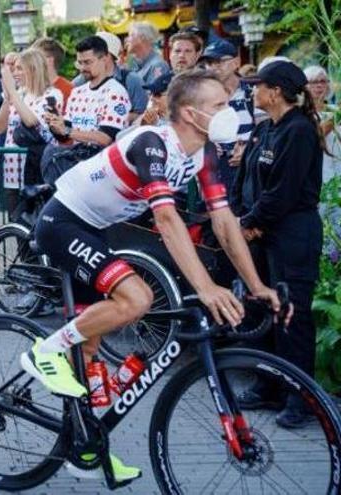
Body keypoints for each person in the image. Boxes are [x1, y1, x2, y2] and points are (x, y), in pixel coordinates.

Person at [21, 69, 284, 481]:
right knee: (138, 299)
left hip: (96, 228)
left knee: (88, 356)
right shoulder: (152, 144)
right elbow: (165, 216)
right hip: (62, 221)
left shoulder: (204, 153)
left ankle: (83, 449)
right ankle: (45, 350)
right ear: (192, 114)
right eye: (220, 105)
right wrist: (206, 288)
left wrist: (256, 286)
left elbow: (225, 223)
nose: (230, 111)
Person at [235, 61, 323, 428]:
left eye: (259, 86)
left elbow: (284, 192)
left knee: (292, 317)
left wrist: (250, 224)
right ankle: (269, 384)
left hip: (292, 236)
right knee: (265, 313)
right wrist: (241, 220)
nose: (253, 91)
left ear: (276, 92)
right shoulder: (264, 129)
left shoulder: (299, 131)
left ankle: (300, 399)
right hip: (264, 234)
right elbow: (246, 178)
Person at [0, 49, 63, 206]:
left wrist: (13, 93)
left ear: (33, 69)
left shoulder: (52, 94)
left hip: (36, 171)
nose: (15, 73)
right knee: (16, 225)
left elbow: (32, 121)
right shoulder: (18, 93)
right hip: (11, 172)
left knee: (35, 225)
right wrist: (7, 98)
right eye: (14, 68)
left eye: (20, 68)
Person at [47, 36, 130, 148]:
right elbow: (64, 136)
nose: (82, 68)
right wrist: (54, 125)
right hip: (78, 159)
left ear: (105, 59)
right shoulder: (77, 92)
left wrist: (66, 130)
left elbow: (105, 138)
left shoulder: (116, 93)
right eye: (80, 63)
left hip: (103, 162)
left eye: (87, 62)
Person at [200, 38, 254, 191]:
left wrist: (249, 150)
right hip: (214, 169)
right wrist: (206, 143)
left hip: (249, 168)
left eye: (219, 61)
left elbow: (266, 129)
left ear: (236, 62)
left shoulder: (252, 92)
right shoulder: (201, 95)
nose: (213, 67)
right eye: (209, 63)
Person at [304, 65, 341, 183]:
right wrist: (336, 117)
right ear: (305, 86)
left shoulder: (334, 109)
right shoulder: (301, 113)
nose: (319, 86)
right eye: (314, 82)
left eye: (323, 81)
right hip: (318, 169)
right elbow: (313, 136)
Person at [30, 36, 74, 104]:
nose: (32, 62)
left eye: (36, 58)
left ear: (49, 60)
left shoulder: (68, 90)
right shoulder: (30, 88)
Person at [126, 21, 170, 85]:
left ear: (142, 38)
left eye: (131, 35)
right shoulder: (134, 64)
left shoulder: (158, 65)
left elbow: (154, 93)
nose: (127, 40)